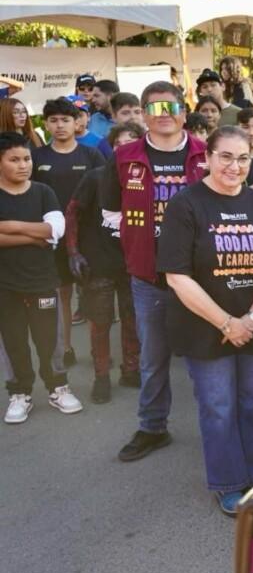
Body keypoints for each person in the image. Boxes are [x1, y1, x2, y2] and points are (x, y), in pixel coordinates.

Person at [157, 126, 253, 515]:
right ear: (207, 158)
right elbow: (176, 275)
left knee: (251, 402)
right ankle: (229, 483)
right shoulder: (186, 204)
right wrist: (225, 323)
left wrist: (250, 318)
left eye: (243, 158)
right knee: (218, 405)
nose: (234, 166)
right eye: (226, 157)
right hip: (204, 328)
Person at [114, 81, 209, 463]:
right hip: (149, 277)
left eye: (171, 107)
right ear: (142, 114)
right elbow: (109, 208)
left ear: (184, 112)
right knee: (153, 359)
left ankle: (216, 428)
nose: (163, 114)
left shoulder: (207, 154)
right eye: (153, 109)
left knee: (206, 358)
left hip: (202, 277)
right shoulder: (124, 156)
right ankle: (153, 427)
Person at [0, 132, 83, 424]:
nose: (23, 165)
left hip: (42, 280)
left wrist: (8, 227)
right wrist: (32, 235)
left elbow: (54, 230)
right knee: (12, 341)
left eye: (26, 158)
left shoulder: (43, 192)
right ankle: (19, 393)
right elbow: (42, 232)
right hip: (5, 285)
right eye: (14, 160)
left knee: (50, 340)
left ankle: (58, 387)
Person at [64, 126, 143, 405]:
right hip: (97, 261)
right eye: (118, 143)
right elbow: (73, 212)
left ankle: (131, 370)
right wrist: (73, 251)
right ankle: (101, 377)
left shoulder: (145, 178)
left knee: (133, 318)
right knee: (100, 321)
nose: (124, 147)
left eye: (130, 142)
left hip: (133, 261)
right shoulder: (95, 177)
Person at [34, 98, 106, 366]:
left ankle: (99, 351)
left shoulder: (91, 155)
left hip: (88, 236)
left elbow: (104, 194)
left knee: (92, 294)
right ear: (46, 124)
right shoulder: (37, 157)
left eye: (65, 120)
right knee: (61, 294)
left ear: (77, 123)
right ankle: (66, 348)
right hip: (53, 238)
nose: (60, 125)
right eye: (53, 120)